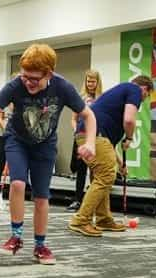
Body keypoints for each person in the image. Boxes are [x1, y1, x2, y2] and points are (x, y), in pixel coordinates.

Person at [0, 43, 98, 265]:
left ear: (49, 73)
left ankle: (40, 245)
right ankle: (16, 237)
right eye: (25, 76)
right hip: (17, 141)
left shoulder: (63, 87)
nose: (28, 82)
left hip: (45, 146)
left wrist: (91, 143)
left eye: (34, 79)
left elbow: (88, 115)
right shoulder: (15, 86)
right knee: (17, 184)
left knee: (41, 197)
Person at [67, 76, 152, 237]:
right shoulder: (134, 89)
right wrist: (129, 138)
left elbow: (109, 146)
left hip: (87, 136)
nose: (144, 99)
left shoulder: (117, 96)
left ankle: (103, 219)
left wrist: (120, 164)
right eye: (146, 96)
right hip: (95, 136)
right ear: (145, 89)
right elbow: (129, 120)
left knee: (101, 176)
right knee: (106, 176)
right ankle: (80, 220)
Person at [67, 69, 103, 211]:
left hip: (96, 137)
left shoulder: (102, 98)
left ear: (97, 82)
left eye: (93, 81)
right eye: (88, 81)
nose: (90, 84)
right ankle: (78, 200)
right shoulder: (80, 98)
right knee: (80, 169)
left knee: (95, 169)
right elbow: (73, 119)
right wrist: (76, 132)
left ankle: (94, 201)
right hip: (81, 137)